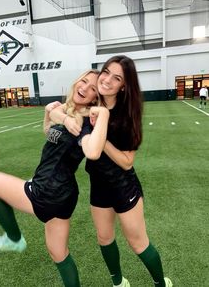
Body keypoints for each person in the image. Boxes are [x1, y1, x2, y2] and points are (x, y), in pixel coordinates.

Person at [0, 69, 110, 287]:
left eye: (92, 88)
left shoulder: (86, 122)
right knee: (59, 254)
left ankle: (14, 239)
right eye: (84, 81)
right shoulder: (66, 111)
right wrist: (50, 114)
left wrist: (68, 119)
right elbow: (49, 131)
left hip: (48, 190)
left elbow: (89, 146)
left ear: (96, 97)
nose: (84, 88)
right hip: (65, 196)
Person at [51, 56, 172, 287]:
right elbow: (59, 112)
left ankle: (161, 284)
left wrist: (101, 136)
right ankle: (118, 282)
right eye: (105, 72)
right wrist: (55, 113)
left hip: (123, 186)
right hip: (99, 186)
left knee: (138, 243)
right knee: (104, 238)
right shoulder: (90, 105)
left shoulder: (127, 114)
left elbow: (127, 162)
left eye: (116, 78)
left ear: (123, 85)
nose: (106, 80)